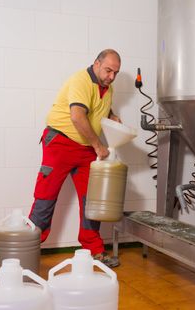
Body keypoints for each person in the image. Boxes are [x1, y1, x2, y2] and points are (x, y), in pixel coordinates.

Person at [29, 49, 122, 268]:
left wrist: (113, 117)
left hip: (85, 147)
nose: (111, 76)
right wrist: (98, 146)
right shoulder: (81, 80)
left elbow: (101, 110)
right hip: (60, 142)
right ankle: (27, 250)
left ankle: (94, 249)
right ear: (96, 64)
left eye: (116, 73)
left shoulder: (108, 87)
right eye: (108, 70)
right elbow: (78, 116)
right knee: (46, 196)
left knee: (92, 199)